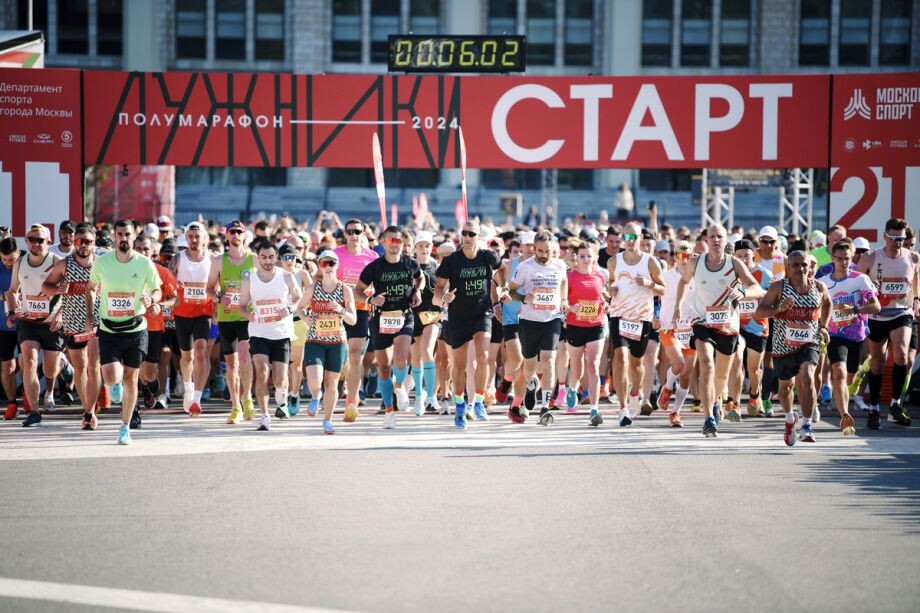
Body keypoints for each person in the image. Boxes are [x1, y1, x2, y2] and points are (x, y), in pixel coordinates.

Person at [674, 225, 764, 438]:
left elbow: (757, 288)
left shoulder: (735, 263)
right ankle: (708, 419)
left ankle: (715, 402)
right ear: (706, 240)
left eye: (719, 237)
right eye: (712, 236)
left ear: (726, 241)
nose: (715, 240)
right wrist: (678, 305)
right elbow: (684, 281)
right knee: (706, 362)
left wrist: (742, 292)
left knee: (722, 374)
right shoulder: (696, 262)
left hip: (727, 326)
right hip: (702, 321)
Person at [85, 220, 162, 445]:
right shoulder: (102, 262)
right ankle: (113, 384)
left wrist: (152, 299)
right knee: (110, 375)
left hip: (136, 329)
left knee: (132, 378)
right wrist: (90, 316)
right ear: (115, 236)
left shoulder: (144, 263)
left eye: (127, 234)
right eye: (119, 234)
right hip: (109, 328)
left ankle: (125, 427)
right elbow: (91, 289)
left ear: (134, 236)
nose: (123, 238)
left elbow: (157, 290)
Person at [754, 251, 831, 445]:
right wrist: (778, 309)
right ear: (788, 267)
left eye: (804, 265)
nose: (800, 269)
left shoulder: (819, 287)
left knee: (807, 374)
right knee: (785, 387)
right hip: (783, 345)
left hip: (810, 341)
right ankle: (789, 419)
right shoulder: (778, 287)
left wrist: (823, 326)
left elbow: (828, 303)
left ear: (809, 266)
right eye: (795, 265)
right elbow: (759, 312)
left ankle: (806, 425)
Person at [435, 220, 502, 429]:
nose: (467, 237)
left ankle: (479, 401)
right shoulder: (452, 260)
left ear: (478, 236)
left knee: (483, 356)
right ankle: (460, 405)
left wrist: (502, 290)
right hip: (458, 317)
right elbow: (437, 289)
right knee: (460, 365)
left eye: (471, 234)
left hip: (482, 313)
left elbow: (503, 269)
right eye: (464, 233)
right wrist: (443, 297)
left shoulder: (487, 257)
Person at [356, 226, 423, 429]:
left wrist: (417, 292)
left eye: (398, 241)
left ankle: (399, 386)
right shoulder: (375, 267)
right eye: (390, 240)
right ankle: (388, 410)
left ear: (403, 243)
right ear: (383, 242)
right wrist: (370, 298)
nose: (395, 244)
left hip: (404, 315)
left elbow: (421, 277)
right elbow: (357, 290)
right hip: (381, 318)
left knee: (401, 360)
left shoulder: (410, 263)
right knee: (384, 367)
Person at [856, 218, 919, 428]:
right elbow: (856, 281)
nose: (897, 243)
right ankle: (874, 408)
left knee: (901, 354)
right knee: (877, 362)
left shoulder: (913, 258)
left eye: (901, 239)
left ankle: (895, 405)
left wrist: (916, 300)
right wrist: (868, 287)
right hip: (877, 315)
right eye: (893, 238)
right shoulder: (870, 257)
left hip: (901, 312)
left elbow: (916, 280)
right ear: (885, 237)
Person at [41, 223, 102, 430]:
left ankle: (90, 411)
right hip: (73, 323)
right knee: (80, 368)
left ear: (94, 243)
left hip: (96, 322)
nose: (82, 245)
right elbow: (45, 287)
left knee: (94, 366)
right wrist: (59, 288)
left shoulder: (102, 264)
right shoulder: (65, 264)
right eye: (78, 241)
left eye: (87, 242)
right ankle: (88, 408)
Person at [238, 242, 303, 431]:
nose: (267, 261)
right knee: (262, 372)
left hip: (281, 333)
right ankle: (265, 416)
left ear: (277, 257)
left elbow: (298, 298)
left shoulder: (286, 277)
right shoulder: (250, 280)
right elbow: (242, 306)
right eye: (263, 257)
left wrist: (289, 309)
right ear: (258, 257)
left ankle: (282, 400)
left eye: (271, 257)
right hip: (259, 332)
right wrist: (248, 314)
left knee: (281, 380)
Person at [818, 238, 879, 437]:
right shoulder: (824, 283)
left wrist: (854, 308)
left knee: (848, 377)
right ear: (833, 259)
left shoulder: (860, 279)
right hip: (835, 334)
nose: (844, 262)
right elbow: (818, 309)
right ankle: (845, 416)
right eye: (840, 258)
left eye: (847, 258)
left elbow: (876, 306)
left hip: (856, 335)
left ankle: (846, 391)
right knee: (838, 373)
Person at [507, 230, 568, 426]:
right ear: (534, 248)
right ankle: (531, 385)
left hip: (552, 319)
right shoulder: (525, 267)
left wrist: (564, 299)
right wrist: (524, 298)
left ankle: (545, 407)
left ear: (554, 250)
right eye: (539, 251)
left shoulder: (560, 265)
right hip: (529, 321)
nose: (543, 255)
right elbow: (512, 290)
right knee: (530, 366)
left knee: (549, 359)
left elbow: (564, 282)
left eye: (547, 251)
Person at [607, 222, 665, 426]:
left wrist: (650, 284)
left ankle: (634, 394)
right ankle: (623, 408)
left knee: (637, 364)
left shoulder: (650, 262)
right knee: (620, 359)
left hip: (641, 317)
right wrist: (610, 290)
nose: (631, 241)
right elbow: (611, 284)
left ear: (641, 238)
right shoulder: (614, 261)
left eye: (634, 237)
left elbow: (663, 289)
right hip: (619, 315)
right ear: (623, 239)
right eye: (627, 237)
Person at [7, 224, 63, 426]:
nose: (35, 243)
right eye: (31, 239)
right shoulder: (19, 262)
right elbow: (13, 290)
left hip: (51, 323)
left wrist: (62, 315)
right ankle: (34, 411)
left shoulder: (57, 262)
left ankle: (59, 367)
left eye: (40, 240)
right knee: (28, 360)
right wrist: (12, 311)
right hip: (28, 321)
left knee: (50, 370)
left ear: (48, 242)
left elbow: (70, 291)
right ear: (26, 241)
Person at [302, 250, 357, 434]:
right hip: (315, 340)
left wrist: (341, 310)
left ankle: (327, 420)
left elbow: (353, 320)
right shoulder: (312, 288)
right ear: (320, 265)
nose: (328, 267)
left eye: (331, 263)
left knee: (332, 384)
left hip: (337, 342)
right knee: (316, 382)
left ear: (337, 265)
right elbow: (300, 308)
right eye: (324, 263)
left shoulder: (344, 289)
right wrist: (305, 319)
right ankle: (316, 396)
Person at [207, 219, 256, 424]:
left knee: (245, 359)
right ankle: (235, 405)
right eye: (232, 232)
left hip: (246, 317)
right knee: (231, 363)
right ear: (226, 236)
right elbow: (209, 289)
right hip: (226, 317)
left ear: (245, 235)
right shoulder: (219, 261)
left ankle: (248, 398)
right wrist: (219, 298)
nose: (236, 235)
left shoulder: (254, 259)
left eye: (239, 232)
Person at [334, 218, 379, 422]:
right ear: (345, 234)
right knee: (341, 356)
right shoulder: (335, 254)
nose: (354, 235)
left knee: (355, 356)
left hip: (361, 311)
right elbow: (319, 277)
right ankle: (340, 386)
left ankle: (351, 401)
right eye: (350, 231)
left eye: (358, 231)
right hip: (337, 310)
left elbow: (379, 283)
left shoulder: (371, 256)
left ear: (363, 234)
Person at [168, 222, 214, 417]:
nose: (194, 240)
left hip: (204, 311)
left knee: (201, 350)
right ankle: (188, 386)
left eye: (197, 236)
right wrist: (173, 284)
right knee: (187, 357)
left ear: (205, 239)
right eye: (191, 237)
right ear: (186, 239)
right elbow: (167, 281)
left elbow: (217, 283)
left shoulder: (213, 259)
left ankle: (197, 396)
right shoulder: (178, 258)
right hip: (182, 313)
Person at [133, 234, 178, 428]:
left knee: (149, 373)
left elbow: (175, 299)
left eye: (146, 250)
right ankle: (134, 412)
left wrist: (161, 305)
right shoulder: (123, 271)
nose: (143, 253)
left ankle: (147, 387)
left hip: (154, 328)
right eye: (140, 249)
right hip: (131, 326)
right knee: (132, 369)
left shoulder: (162, 272)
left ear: (153, 253)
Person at [564, 241, 607, 426]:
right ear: (576, 258)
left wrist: (605, 304)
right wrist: (571, 307)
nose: (585, 259)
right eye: (582, 256)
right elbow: (563, 303)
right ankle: (572, 388)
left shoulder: (600, 275)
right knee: (577, 368)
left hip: (596, 325)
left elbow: (601, 296)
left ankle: (594, 409)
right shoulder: (569, 277)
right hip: (574, 325)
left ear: (595, 257)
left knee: (594, 366)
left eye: (589, 256)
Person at [730, 239, 773, 419]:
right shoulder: (730, 273)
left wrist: (759, 293)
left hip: (757, 326)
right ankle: (735, 403)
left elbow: (772, 297)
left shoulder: (764, 274)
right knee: (737, 360)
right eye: (739, 256)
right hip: (735, 324)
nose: (743, 259)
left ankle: (755, 395)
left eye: (746, 256)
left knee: (753, 368)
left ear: (753, 254)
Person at [656, 240, 697, 427]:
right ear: (674, 256)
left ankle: (675, 412)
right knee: (678, 363)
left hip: (691, 329)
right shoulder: (666, 276)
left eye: (687, 255)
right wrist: (653, 316)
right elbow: (650, 296)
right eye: (679, 255)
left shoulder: (697, 277)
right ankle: (666, 387)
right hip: (669, 326)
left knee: (686, 375)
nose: (683, 259)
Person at [278, 243, 313, 417]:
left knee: (296, 364)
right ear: (280, 259)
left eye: (291, 257)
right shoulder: (276, 275)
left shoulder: (302, 274)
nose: (289, 260)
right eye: (285, 257)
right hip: (279, 324)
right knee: (283, 364)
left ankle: (294, 394)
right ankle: (283, 398)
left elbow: (314, 292)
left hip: (298, 322)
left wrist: (306, 309)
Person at [409, 231, 441, 416]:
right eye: (420, 245)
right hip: (413, 317)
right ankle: (419, 397)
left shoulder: (438, 268)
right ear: (414, 248)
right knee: (416, 358)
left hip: (432, 316)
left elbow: (445, 288)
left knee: (428, 351)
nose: (424, 249)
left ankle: (431, 396)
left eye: (427, 246)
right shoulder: (408, 267)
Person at [1, 237, 21, 420]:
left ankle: (31, 404)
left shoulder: (25, 264)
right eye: (4, 260)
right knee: (7, 366)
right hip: (3, 326)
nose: (8, 263)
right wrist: (4, 297)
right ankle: (12, 403)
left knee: (27, 362)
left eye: (12, 260)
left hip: (26, 324)